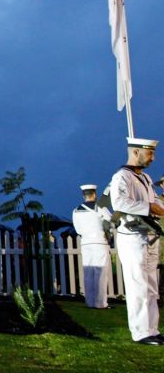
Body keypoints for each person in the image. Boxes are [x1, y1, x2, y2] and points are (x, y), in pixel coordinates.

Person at [110, 137, 164, 345]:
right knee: (138, 286)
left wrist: (158, 206)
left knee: (151, 286)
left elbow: (153, 199)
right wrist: (149, 207)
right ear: (135, 152)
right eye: (149, 153)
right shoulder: (121, 177)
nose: (153, 157)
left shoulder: (146, 178)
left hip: (149, 235)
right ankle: (141, 332)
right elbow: (119, 202)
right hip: (132, 236)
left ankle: (152, 328)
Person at [72, 184, 112, 308]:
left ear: (83, 195)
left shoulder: (76, 210)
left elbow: (78, 230)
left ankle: (90, 302)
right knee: (100, 272)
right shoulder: (100, 207)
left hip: (85, 242)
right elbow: (110, 222)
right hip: (99, 241)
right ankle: (100, 303)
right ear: (94, 194)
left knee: (88, 272)